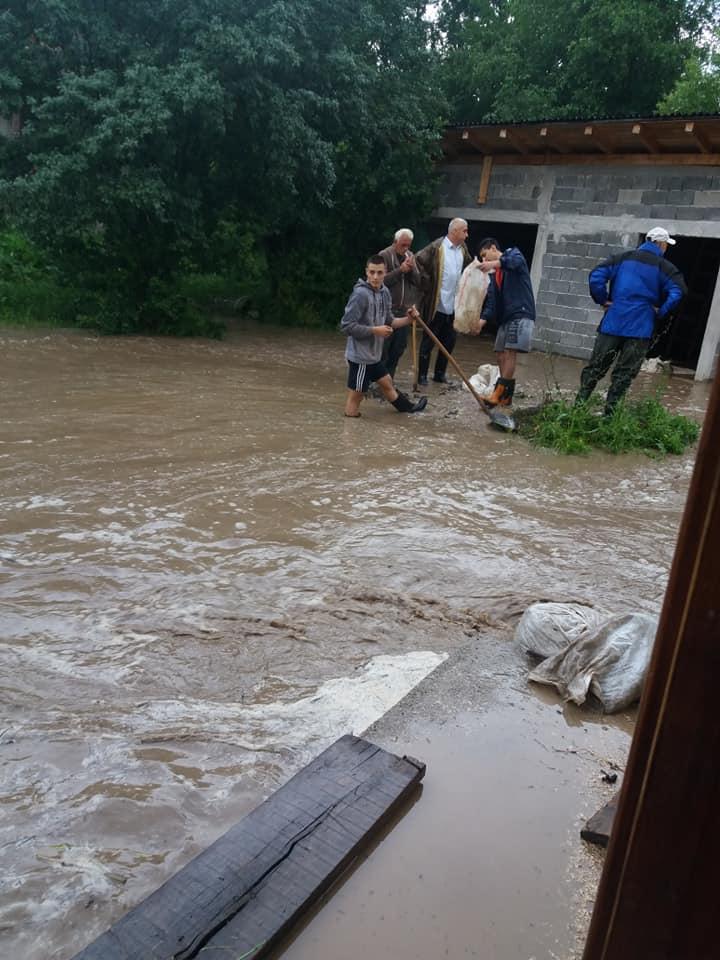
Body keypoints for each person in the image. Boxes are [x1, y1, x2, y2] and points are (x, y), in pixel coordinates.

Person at [576, 227, 686, 415]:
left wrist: (603, 300)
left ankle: (577, 409)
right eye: (666, 244)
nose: (666, 248)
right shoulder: (664, 267)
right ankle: (609, 417)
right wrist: (660, 312)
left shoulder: (621, 258)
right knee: (624, 375)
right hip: (640, 329)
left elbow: (596, 276)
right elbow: (678, 292)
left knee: (595, 368)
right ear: (660, 244)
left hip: (612, 324)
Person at [340, 255, 428, 418]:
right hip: (360, 358)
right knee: (356, 397)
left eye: (379, 273)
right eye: (372, 272)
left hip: (374, 356)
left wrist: (409, 319)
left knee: (387, 383)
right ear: (366, 272)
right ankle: (350, 432)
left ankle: (409, 410)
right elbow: (346, 326)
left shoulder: (385, 292)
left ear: (385, 273)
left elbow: (390, 321)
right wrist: (375, 330)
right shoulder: (360, 295)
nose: (375, 277)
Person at [478, 238, 536, 408]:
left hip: (520, 312)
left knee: (510, 352)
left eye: (484, 255)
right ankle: (505, 396)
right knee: (500, 354)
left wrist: (494, 263)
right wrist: (482, 320)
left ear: (493, 248)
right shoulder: (496, 273)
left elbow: (515, 262)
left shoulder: (513, 254)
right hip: (506, 317)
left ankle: (499, 393)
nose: (484, 260)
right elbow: (492, 302)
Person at [415, 218, 471, 385]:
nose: (467, 235)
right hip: (436, 304)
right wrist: (427, 284)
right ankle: (422, 376)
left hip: (453, 305)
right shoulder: (436, 247)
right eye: (464, 231)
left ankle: (440, 374)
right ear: (454, 231)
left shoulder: (463, 249)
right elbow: (418, 262)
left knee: (449, 342)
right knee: (428, 342)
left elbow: (468, 268)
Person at [377, 228, 423, 379]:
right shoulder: (384, 255)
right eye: (403, 245)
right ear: (395, 242)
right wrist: (400, 270)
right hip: (386, 311)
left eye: (408, 245)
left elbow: (418, 281)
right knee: (383, 348)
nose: (406, 249)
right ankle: (378, 381)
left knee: (398, 348)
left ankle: (389, 380)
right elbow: (380, 281)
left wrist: (411, 270)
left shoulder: (410, 256)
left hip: (404, 311)